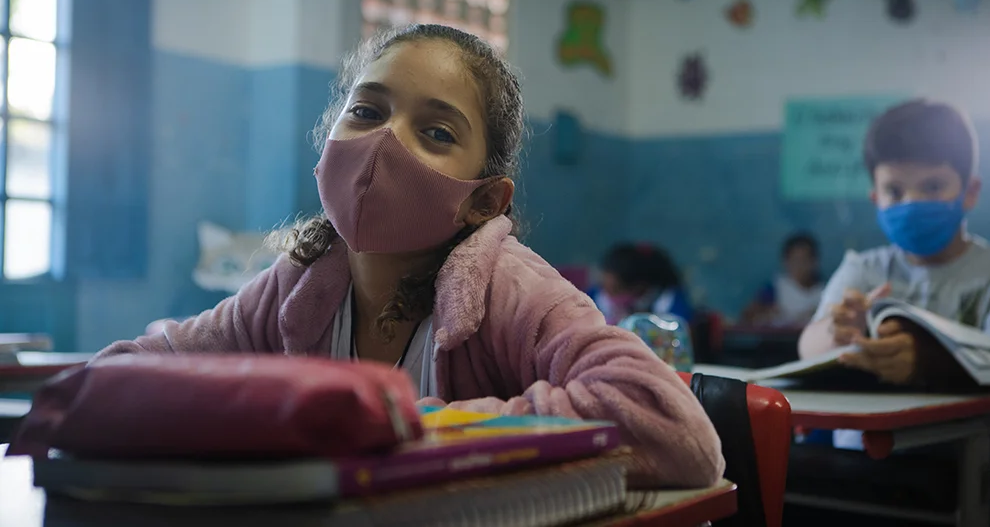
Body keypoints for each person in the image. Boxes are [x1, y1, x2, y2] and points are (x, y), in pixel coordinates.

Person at [95, 25, 723, 488]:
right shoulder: (296, 285)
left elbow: (672, 426)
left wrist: (406, 426)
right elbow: (111, 383)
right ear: (328, 141)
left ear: (482, 201)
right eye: (366, 111)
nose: (384, 142)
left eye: (437, 132)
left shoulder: (510, 289)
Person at [796, 100, 990, 527]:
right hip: (859, 483)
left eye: (933, 187)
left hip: (983, 492)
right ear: (875, 197)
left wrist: (927, 361)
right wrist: (839, 330)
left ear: (970, 191)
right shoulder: (863, 267)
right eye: (895, 191)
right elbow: (809, 347)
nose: (912, 202)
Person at [589, 242, 694, 326]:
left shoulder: (669, 302)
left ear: (639, 286)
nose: (607, 294)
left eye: (616, 289)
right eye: (603, 286)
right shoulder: (593, 296)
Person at [740, 232, 824, 327]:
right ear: (786, 262)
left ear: (814, 262)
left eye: (804, 260)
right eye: (795, 260)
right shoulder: (774, 289)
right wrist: (765, 314)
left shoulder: (824, 292)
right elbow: (747, 316)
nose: (800, 266)